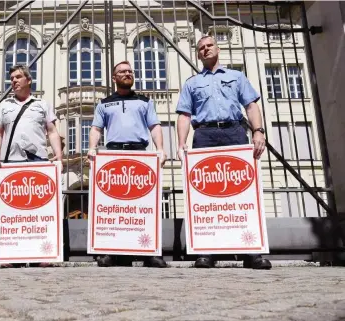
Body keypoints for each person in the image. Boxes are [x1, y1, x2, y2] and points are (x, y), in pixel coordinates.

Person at [176, 35, 272, 270]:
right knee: (205, 195)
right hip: (205, 135)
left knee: (243, 193)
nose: (205, 49)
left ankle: (252, 252)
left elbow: (250, 105)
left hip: (234, 132)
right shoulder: (191, 83)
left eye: (209, 46)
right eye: (201, 48)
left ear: (217, 49)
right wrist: (181, 144)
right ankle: (207, 251)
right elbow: (184, 115)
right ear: (198, 54)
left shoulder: (236, 77)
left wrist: (258, 132)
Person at [87, 61, 168, 268]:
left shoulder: (144, 101)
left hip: (140, 153)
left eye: (130, 71)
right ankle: (112, 252)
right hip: (113, 153)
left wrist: (160, 149)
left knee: (145, 205)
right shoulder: (104, 103)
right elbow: (96, 128)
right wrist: (92, 148)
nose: (127, 74)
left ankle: (151, 251)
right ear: (114, 77)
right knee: (115, 206)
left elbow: (155, 126)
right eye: (122, 71)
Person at [0, 64, 62, 268]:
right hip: (11, 162)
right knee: (12, 210)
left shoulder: (42, 104)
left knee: (39, 210)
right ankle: (10, 255)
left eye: (18, 77)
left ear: (28, 80)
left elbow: (52, 131)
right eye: (12, 78)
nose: (13, 81)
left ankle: (41, 254)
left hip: (37, 161)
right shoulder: (4, 106)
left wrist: (58, 155)